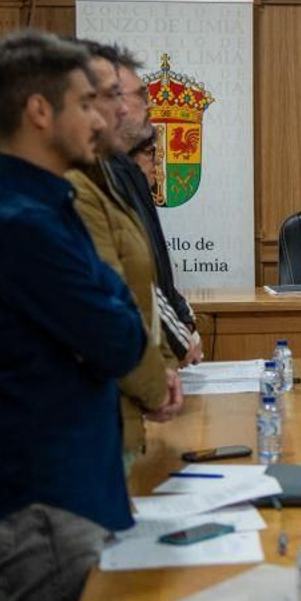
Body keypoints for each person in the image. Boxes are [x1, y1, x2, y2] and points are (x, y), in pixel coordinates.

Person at [0, 30, 146, 601]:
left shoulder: (51, 203)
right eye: (86, 101)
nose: (102, 118)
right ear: (41, 112)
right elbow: (119, 338)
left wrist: (112, 311)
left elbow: (114, 312)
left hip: (69, 472)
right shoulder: (20, 222)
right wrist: (113, 313)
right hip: (42, 489)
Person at [66, 44, 184, 465]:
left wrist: (164, 368)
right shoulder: (65, 186)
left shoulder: (103, 178)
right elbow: (106, 308)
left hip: (105, 420)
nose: (123, 110)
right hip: (68, 432)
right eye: (112, 97)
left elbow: (146, 290)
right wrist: (157, 386)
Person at [99, 46, 203, 366]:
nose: (150, 104)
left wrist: (184, 322)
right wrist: (181, 342)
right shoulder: (100, 176)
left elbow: (156, 269)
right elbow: (130, 282)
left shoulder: (129, 172)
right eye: (140, 95)